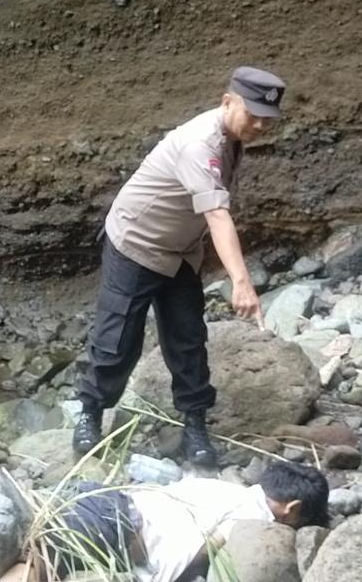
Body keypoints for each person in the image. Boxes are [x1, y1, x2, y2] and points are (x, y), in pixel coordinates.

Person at [0, 415, 329, 582]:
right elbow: (215, 548)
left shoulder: (226, 486)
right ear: (292, 510)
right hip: (112, 522)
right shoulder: (254, 515)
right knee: (29, 566)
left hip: (100, 498)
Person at [73, 67, 287, 465]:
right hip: (135, 243)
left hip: (181, 251)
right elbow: (218, 216)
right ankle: (90, 413)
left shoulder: (232, 137)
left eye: (267, 118)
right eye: (252, 113)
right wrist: (242, 282)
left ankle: (195, 427)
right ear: (227, 101)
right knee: (117, 339)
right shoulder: (199, 144)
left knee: (188, 339)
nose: (259, 124)